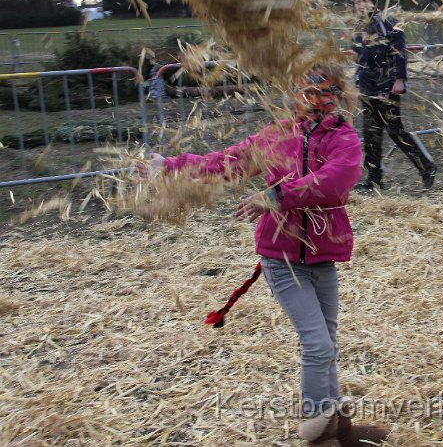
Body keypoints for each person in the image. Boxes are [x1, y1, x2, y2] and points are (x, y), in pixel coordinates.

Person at [139, 64, 389, 446]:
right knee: (317, 345)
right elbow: (229, 162)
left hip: (322, 255)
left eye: (326, 92)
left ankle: (341, 430)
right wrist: (169, 167)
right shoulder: (277, 135)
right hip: (282, 257)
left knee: (328, 343)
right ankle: (318, 437)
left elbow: (335, 180)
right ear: (294, 93)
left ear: (340, 95)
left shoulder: (344, 138)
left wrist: (273, 196)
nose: (317, 100)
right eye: (308, 91)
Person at [351, 0, 437, 191]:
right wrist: (356, 84)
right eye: (358, 2)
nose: (362, 5)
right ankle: (374, 179)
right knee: (371, 134)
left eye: (365, 1)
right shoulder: (357, 28)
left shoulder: (388, 22)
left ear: (374, 2)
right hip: (367, 89)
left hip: (387, 88)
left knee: (396, 132)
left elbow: (400, 52)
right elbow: (358, 58)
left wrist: (400, 79)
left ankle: (427, 168)